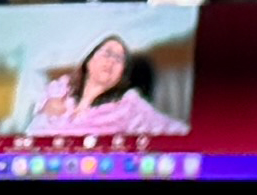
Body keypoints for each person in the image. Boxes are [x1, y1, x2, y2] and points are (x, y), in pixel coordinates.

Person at [20, 27, 186, 137]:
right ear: (88, 60)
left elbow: (176, 130)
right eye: (106, 53)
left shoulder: (129, 105)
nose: (111, 61)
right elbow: (30, 124)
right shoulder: (59, 88)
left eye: (119, 59)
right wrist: (43, 108)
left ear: (122, 74)